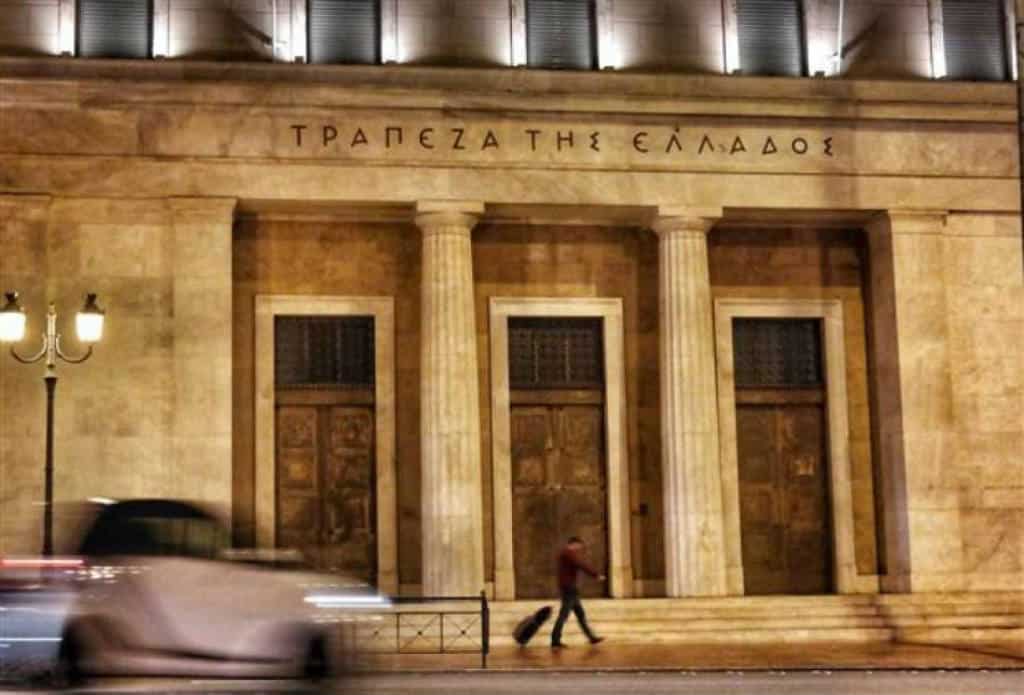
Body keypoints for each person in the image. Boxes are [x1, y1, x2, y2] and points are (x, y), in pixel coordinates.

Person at [551, 536, 605, 648]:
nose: (579, 549)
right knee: (564, 615)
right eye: (578, 546)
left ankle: (591, 637)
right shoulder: (568, 553)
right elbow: (581, 565)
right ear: (574, 544)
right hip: (569, 588)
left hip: (570, 588)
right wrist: (596, 575)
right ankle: (555, 639)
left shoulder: (565, 553)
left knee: (580, 615)